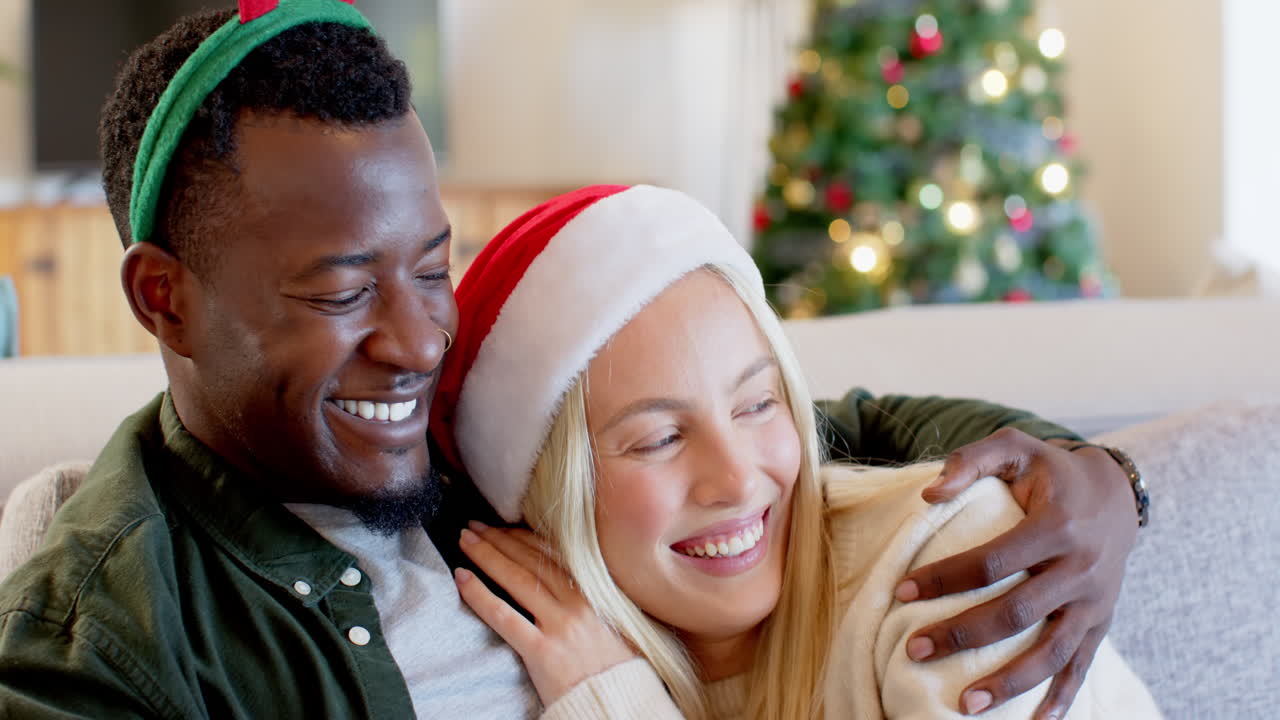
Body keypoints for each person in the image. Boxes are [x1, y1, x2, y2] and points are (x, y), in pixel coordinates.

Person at [0, 3, 1141, 718]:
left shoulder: (470, 441)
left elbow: (802, 424)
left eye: (431, 270)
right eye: (343, 291)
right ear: (167, 301)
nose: (416, 343)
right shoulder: (109, 643)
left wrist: (1085, 476)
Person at [434, 185, 1160, 719]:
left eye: (758, 404)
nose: (738, 477)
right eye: (660, 438)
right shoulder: (527, 655)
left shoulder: (954, 561)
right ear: (544, 501)